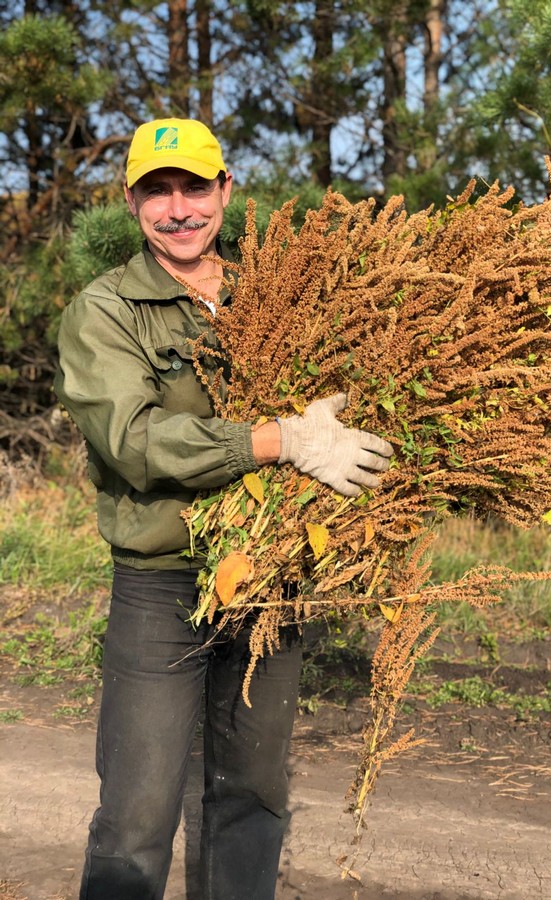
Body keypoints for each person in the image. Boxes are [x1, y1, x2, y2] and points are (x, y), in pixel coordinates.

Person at [54, 117, 393, 900]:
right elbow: (134, 441)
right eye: (156, 191)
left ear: (225, 190)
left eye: (194, 187)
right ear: (131, 200)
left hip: (271, 578)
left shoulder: (276, 294)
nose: (178, 208)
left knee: (252, 793)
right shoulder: (105, 310)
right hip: (162, 581)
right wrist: (281, 440)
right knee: (137, 812)